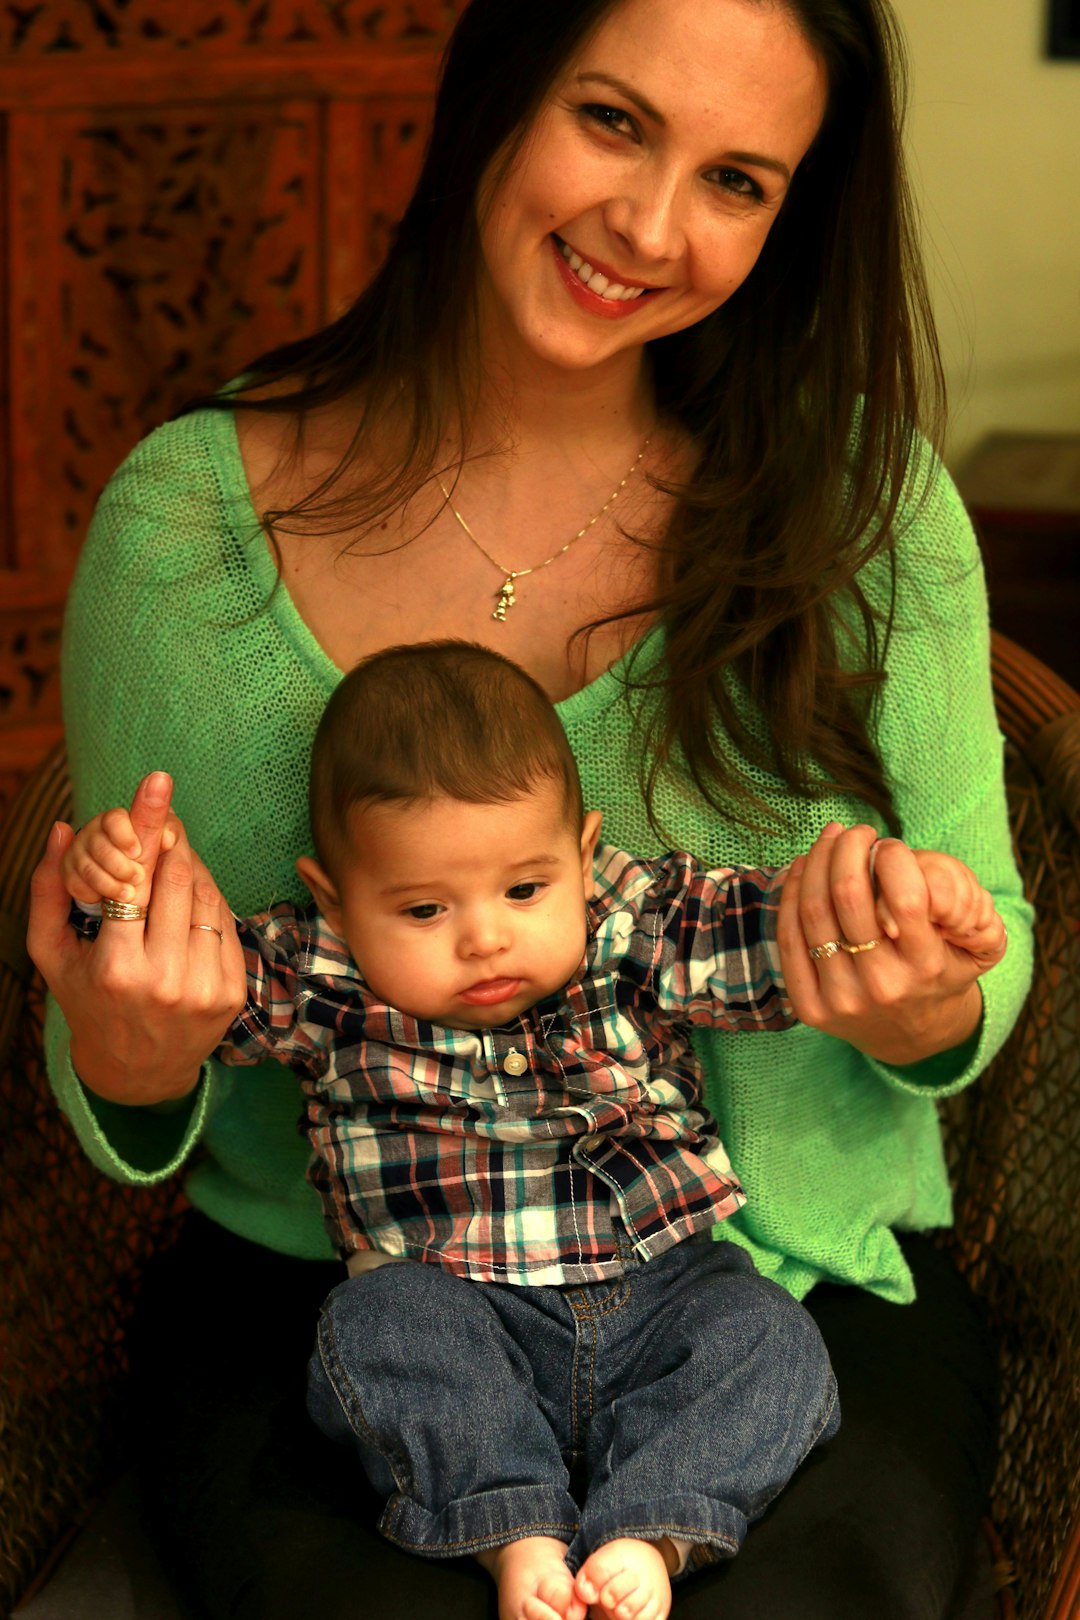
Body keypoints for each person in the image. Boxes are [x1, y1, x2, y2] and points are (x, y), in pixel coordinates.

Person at [27, 0, 1033, 1614]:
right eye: (615, 121)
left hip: (773, 1290)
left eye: (738, 181)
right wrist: (131, 1041)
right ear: (497, 91)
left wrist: (926, 994)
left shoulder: (866, 511)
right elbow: (148, 1058)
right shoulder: (187, 535)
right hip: (345, 1302)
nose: (648, 228)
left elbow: (992, 956)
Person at [59, 640, 1007, 1620]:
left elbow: (764, 934)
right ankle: (512, 1535)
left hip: (665, 1284)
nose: (485, 936)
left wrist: (903, 912)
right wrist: (110, 906)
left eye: (525, 889)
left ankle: (652, 1530)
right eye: (423, 907)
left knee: (771, 1341)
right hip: (454, 1301)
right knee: (375, 1333)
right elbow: (180, 982)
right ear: (336, 899)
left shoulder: (627, 925)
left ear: (583, 854)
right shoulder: (320, 975)